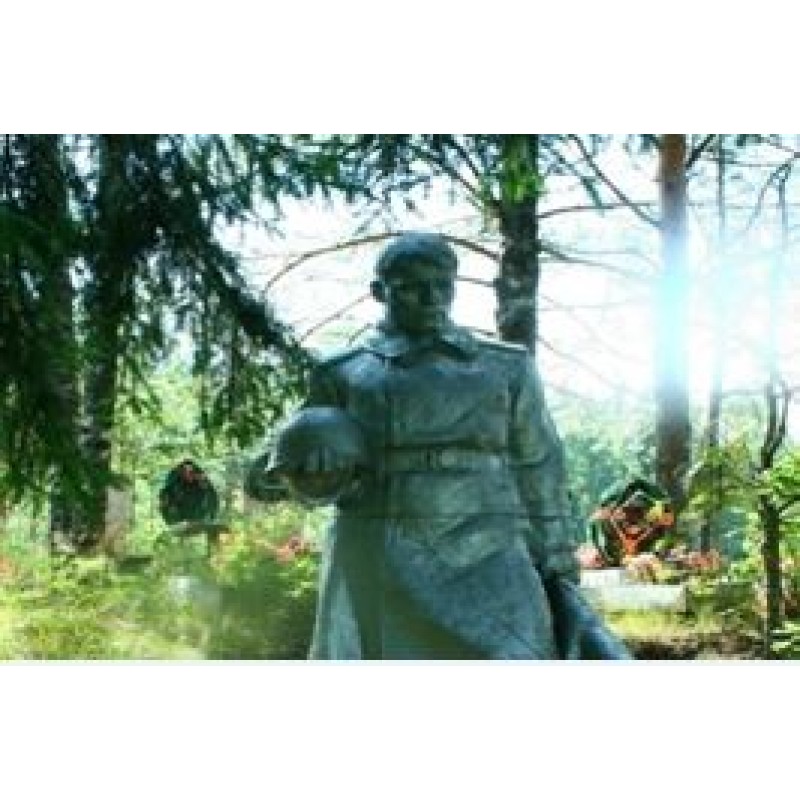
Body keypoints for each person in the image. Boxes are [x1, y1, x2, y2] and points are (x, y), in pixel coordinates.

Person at [248, 232, 630, 659]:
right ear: (379, 292)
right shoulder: (343, 373)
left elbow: (538, 461)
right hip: (379, 551)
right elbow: (284, 466)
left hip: (490, 546)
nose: (432, 298)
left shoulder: (506, 366)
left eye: (442, 285)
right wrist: (305, 471)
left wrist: (556, 548)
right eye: (412, 287)